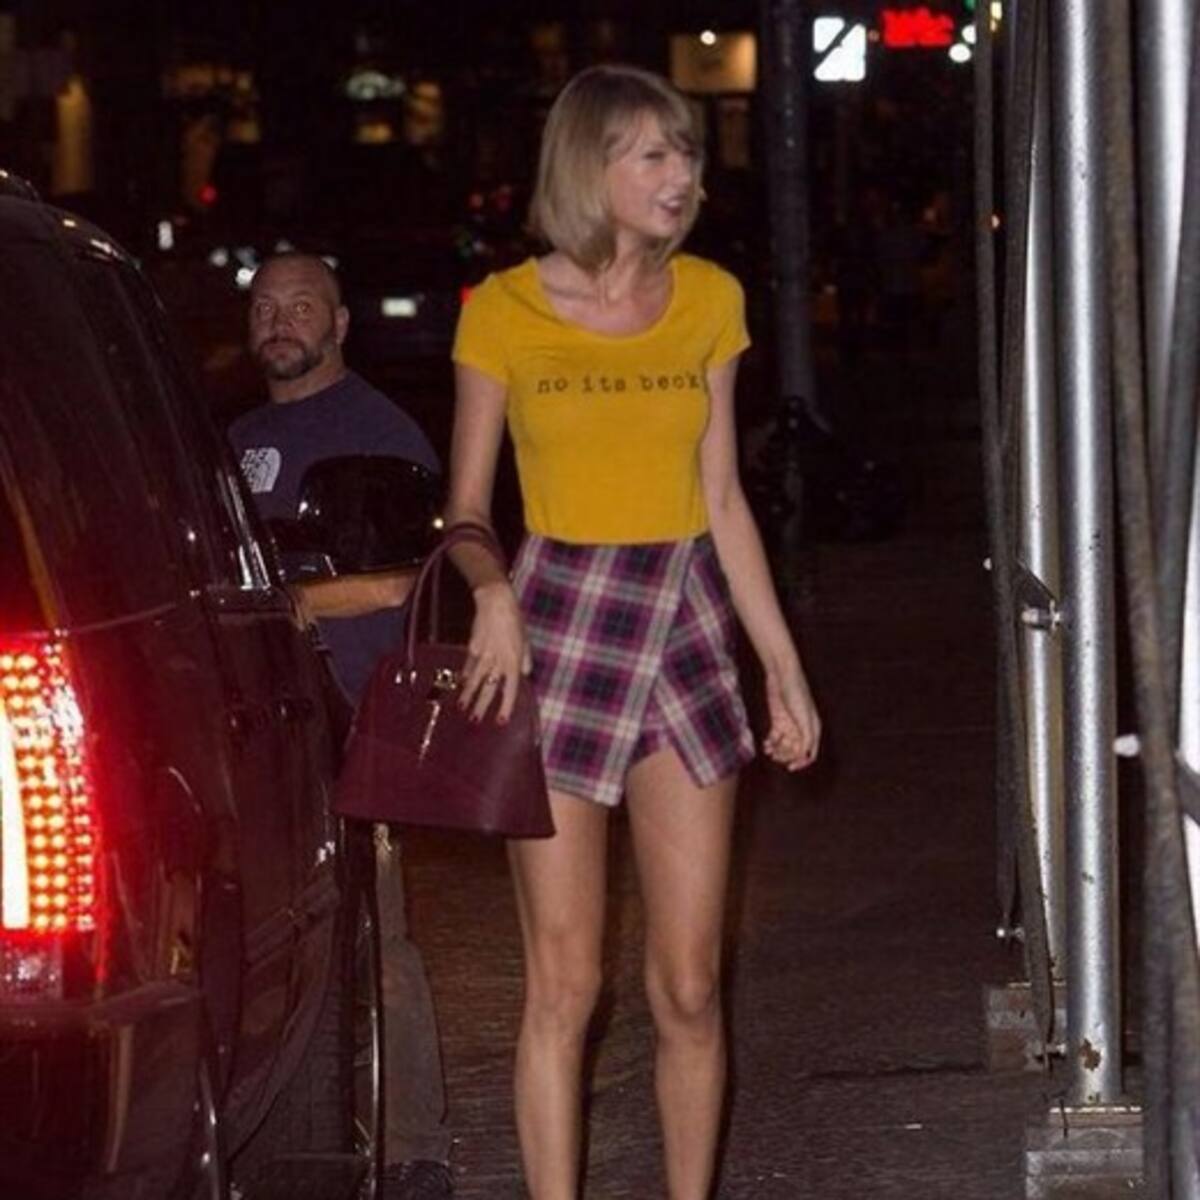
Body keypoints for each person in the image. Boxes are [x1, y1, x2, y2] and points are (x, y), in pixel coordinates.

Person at [445, 66, 821, 1199]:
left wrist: (782, 668)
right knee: (565, 986)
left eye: (687, 153)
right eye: (653, 152)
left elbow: (725, 497)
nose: (681, 174)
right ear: (589, 165)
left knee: (689, 985)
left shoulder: (710, 299)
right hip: (557, 619)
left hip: (686, 615)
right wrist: (492, 592)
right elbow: (464, 512)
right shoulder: (501, 309)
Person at [227, 252, 454, 1199]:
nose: (280, 321)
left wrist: (298, 605)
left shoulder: (378, 431)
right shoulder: (235, 438)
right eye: (265, 307)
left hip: (356, 722)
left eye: (302, 306)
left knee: (376, 936)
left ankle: (414, 1149)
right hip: (255, 730)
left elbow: (414, 579)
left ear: (340, 324)